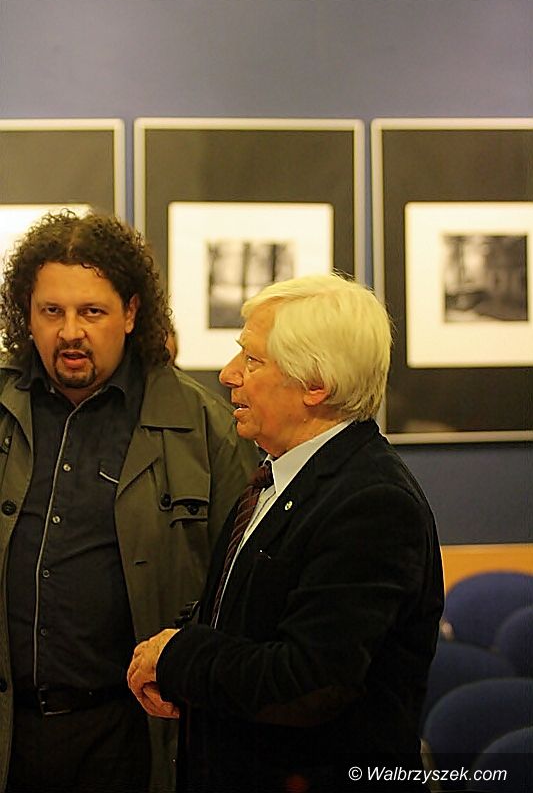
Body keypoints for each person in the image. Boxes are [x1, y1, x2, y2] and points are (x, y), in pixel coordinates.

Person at [127, 273, 445, 793]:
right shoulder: (279, 477)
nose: (229, 374)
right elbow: (243, 617)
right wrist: (177, 664)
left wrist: (178, 658)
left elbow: (308, 681)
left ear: (316, 384)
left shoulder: (372, 503)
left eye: (252, 360)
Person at [0, 210, 258, 793]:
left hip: (134, 737)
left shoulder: (205, 427)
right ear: (26, 314)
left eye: (91, 311)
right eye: (52, 311)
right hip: (10, 735)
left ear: (131, 313)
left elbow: (239, 597)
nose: (70, 331)